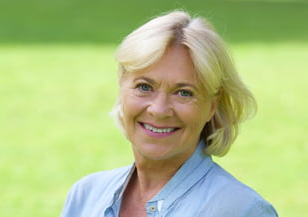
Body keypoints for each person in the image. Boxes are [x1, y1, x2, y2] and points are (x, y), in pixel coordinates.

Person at [61, 11, 278, 217]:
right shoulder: (86, 197)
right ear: (121, 84)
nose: (159, 109)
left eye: (184, 93)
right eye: (144, 87)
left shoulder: (241, 210)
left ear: (212, 105)